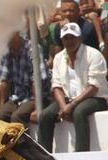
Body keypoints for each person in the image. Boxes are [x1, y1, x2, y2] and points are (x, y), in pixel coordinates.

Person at [39, 22, 108, 152]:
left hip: (96, 98)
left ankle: (82, 155)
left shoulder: (93, 55)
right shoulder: (59, 57)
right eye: (66, 38)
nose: (69, 41)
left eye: (73, 37)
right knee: (45, 115)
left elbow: (94, 86)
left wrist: (71, 105)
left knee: (79, 112)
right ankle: (43, 157)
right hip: (68, 99)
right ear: (62, 40)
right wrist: (63, 106)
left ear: (80, 38)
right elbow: (56, 85)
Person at [0, 33, 45, 126]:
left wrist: (37, 109)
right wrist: (1, 108)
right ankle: (5, 140)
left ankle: (22, 141)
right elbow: (4, 82)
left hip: (34, 97)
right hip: (16, 97)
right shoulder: (6, 51)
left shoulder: (33, 49)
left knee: (16, 117)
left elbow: (37, 82)